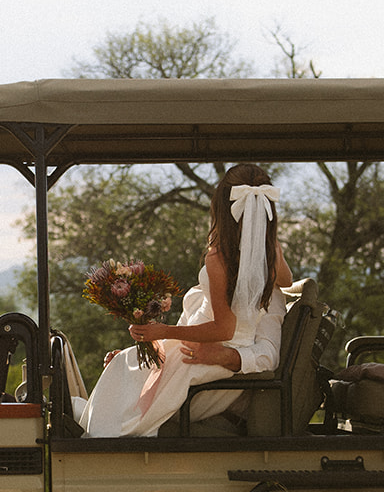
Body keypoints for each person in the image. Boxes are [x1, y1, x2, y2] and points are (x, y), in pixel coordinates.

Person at [80, 164, 293, 437]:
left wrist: (164, 331)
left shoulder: (219, 259)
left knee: (125, 367)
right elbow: (286, 280)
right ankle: (94, 425)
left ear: (221, 209)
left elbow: (224, 329)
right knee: (126, 361)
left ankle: (97, 435)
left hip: (208, 349)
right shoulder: (268, 253)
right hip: (226, 344)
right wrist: (267, 237)